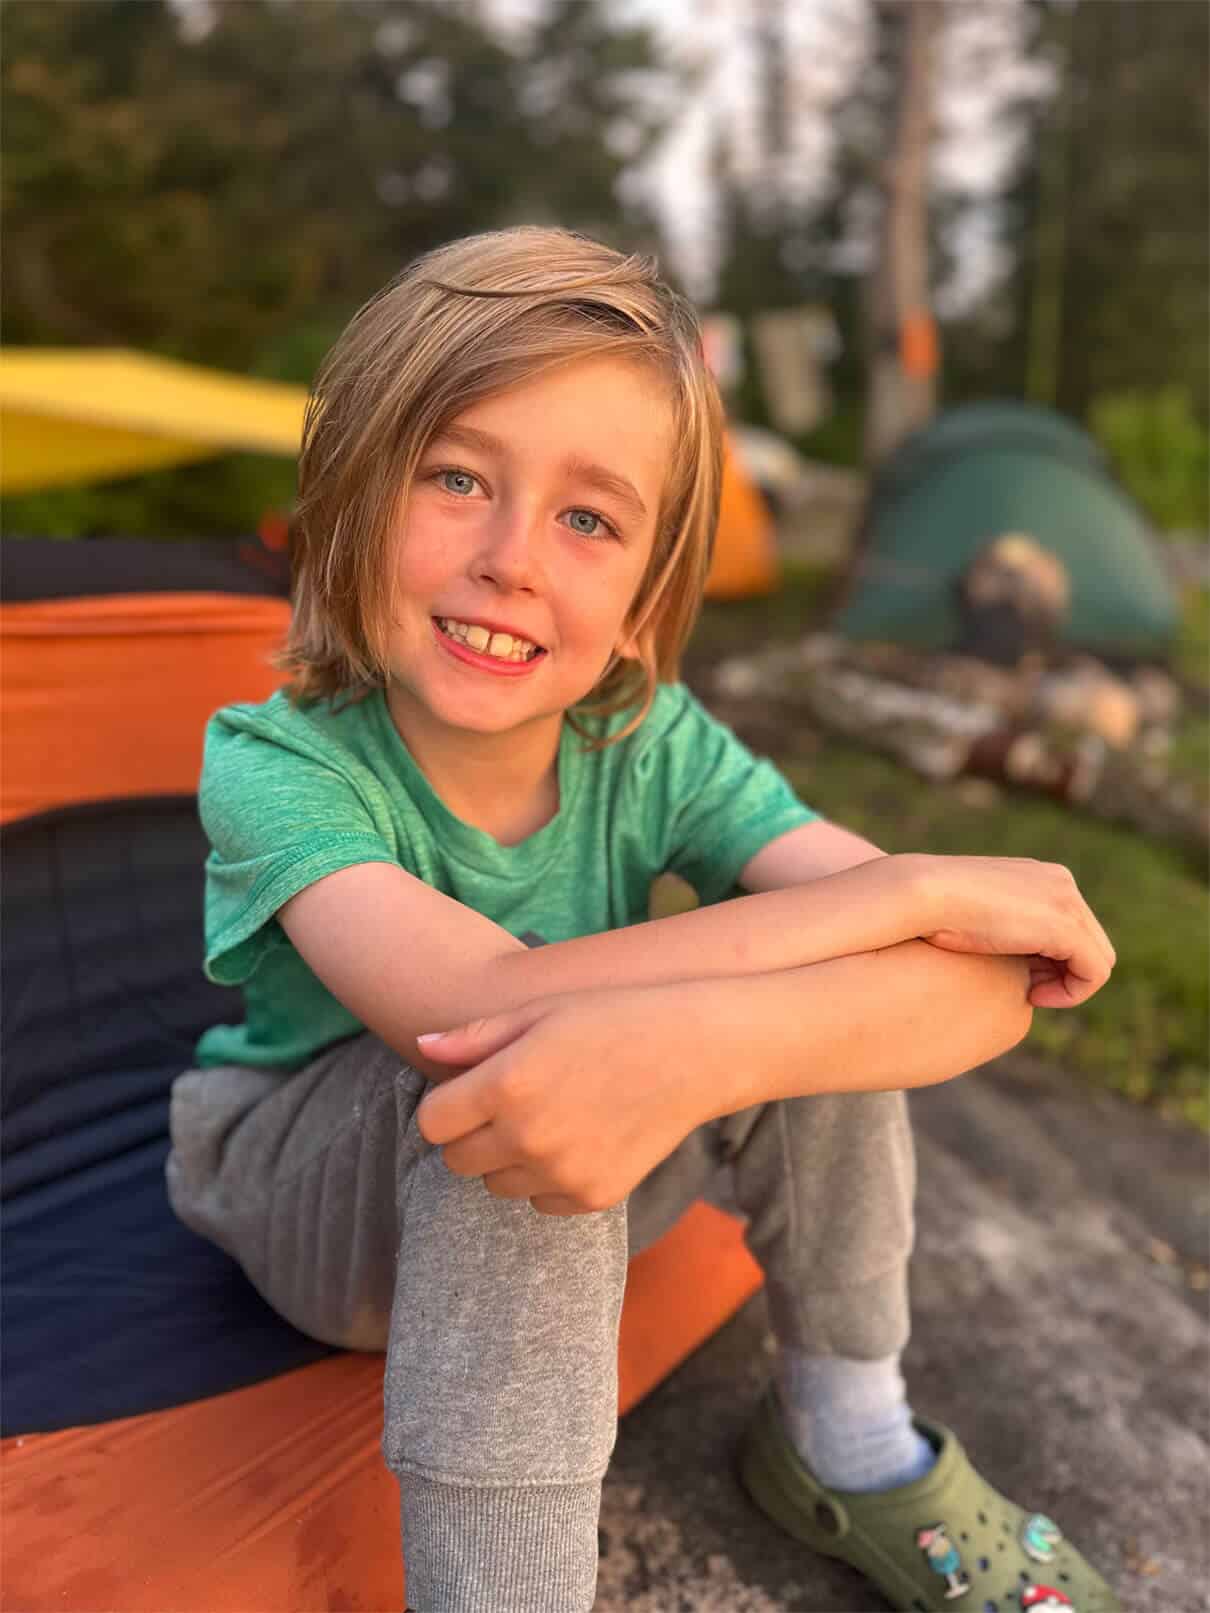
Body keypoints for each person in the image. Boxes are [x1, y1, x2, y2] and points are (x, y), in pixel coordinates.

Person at [166, 227, 1119, 1613]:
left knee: (789, 1015)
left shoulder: (649, 740)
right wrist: (900, 886)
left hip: (571, 1132)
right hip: (309, 1200)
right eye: (454, 476)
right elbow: (477, 1004)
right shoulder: (276, 763)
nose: (509, 558)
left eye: (587, 519)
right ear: (352, 492)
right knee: (523, 1087)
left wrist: (730, 1030)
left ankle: (845, 1438)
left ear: (637, 605)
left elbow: (962, 990)